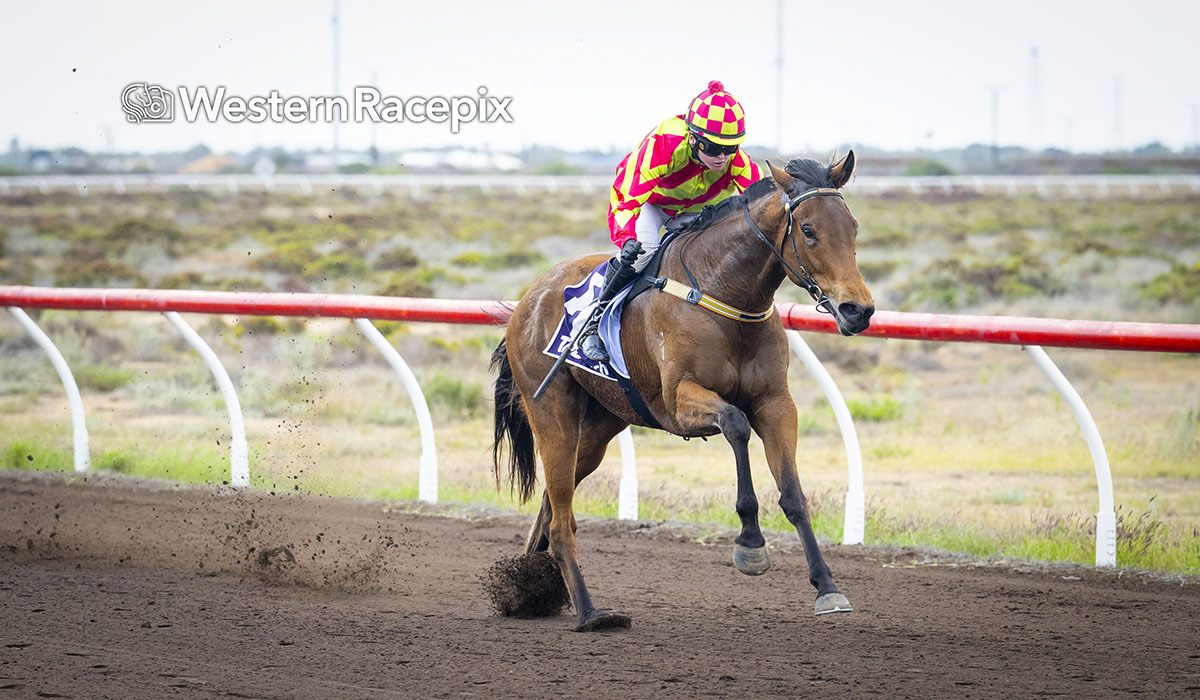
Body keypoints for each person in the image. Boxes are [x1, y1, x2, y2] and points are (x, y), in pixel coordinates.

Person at [579, 80, 763, 361]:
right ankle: (593, 320)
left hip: (694, 212)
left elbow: (763, 197)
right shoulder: (664, 144)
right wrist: (627, 237)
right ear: (693, 138)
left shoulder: (736, 161)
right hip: (652, 204)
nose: (722, 157)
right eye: (713, 148)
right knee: (644, 250)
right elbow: (626, 196)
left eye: (731, 148)